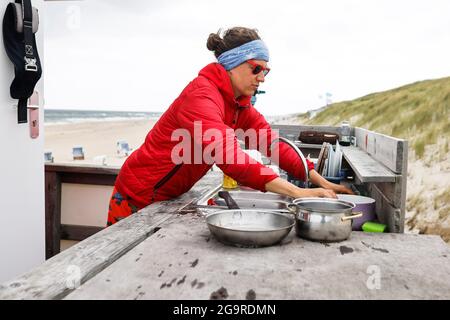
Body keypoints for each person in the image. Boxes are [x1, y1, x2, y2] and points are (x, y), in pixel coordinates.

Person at [107, 27, 353, 226]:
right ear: (233, 64)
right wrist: (297, 193)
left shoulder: (238, 106)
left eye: (266, 70)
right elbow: (229, 157)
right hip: (137, 194)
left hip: (170, 195)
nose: (262, 77)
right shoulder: (200, 96)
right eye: (256, 68)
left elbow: (274, 144)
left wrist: (323, 182)